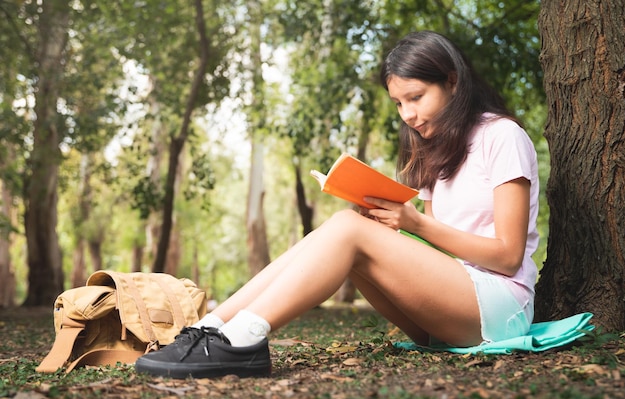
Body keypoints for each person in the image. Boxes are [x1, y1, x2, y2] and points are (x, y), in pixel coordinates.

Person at [135, 30, 539, 379]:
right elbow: (439, 252)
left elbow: (506, 256)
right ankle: (211, 328)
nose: (408, 115)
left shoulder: (502, 136)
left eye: (416, 97)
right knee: (343, 228)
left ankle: (244, 339)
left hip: (500, 311)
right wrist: (389, 229)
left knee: (348, 229)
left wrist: (412, 225)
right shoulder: (436, 153)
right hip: (446, 309)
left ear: (452, 82)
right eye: (399, 104)